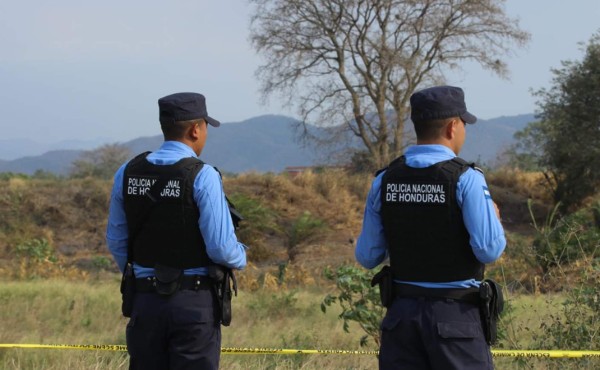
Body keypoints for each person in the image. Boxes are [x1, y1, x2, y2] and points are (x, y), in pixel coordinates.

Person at [355, 85, 506, 370]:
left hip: (401, 319)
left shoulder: (384, 180)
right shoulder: (467, 179)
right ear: (452, 127)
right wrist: (494, 219)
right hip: (456, 319)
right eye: (464, 124)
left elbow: (367, 256)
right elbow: (489, 250)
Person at [106, 92, 247, 370]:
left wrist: (146, 276)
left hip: (144, 302)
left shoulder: (127, 172)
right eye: (205, 127)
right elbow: (220, 247)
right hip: (193, 305)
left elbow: (116, 241)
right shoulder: (202, 175)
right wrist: (241, 257)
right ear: (196, 129)